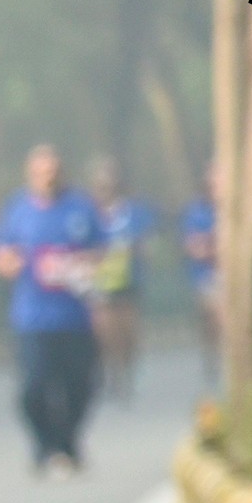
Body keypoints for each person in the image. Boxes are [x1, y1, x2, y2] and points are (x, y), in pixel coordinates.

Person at [0, 145, 103, 477]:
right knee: (33, 388)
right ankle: (44, 444)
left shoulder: (81, 208)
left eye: (53, 172)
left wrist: (79, 265)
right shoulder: (17, 210)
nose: (48, 178)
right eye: (41, 173)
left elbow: (103, 251)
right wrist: (10, 263)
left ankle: (68, 442)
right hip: (33, 317)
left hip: (75, 316)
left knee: (80, 385)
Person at [89, 155, 150, 406]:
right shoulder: (90, 212)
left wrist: (132, 250)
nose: (107, 188)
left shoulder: (133, 211)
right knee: (104, 333)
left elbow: (143, 244)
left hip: (128, 281)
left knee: (127, 332)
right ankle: (111, 373)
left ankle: (127, 371)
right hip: (100, 282)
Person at [182, 171, 223, 365]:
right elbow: (195, 248)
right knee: (213, 315)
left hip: (230, 274)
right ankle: (212, 353)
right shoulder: (196, 212)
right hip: (207, 275)